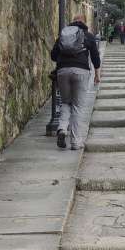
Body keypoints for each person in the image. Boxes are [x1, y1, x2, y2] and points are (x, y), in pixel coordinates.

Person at [50, 13, 101, 150]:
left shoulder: (63, 35)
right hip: (81, 72)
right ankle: (76, 142)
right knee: (78, 106)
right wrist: (97, 74)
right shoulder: (88, 35)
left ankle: (62, 129)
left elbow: (53, 56)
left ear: (73, 22)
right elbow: (95, 57)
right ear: (84, 22)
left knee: (66, 102)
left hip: (63, 72)